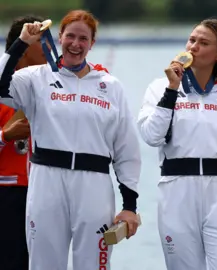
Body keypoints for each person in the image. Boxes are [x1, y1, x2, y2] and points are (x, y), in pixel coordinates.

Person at [0, 10, 142, 270]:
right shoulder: (36, 78)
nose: (76, 44)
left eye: (83, 39)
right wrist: (21, 42)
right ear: (60, 38)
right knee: (44, 264)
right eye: (70, 37)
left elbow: (126, 149)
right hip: (47, 181)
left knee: (93, 264)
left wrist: (130, 205)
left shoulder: (110, 85)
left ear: (92, 43)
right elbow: (1, 86)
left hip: (94, 184)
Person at [137, 18, 217, 270]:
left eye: (203, 43)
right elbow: (152, 136)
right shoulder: (159, 87)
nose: (193, 47)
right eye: (192, 40)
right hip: (177, 191)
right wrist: (172, 91)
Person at [0, 14, 47, 270]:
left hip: (43, 191)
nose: (53, 48)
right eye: (44, 40)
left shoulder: (50, 86)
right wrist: (4, 136)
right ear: (25, 46)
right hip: (7, 193)